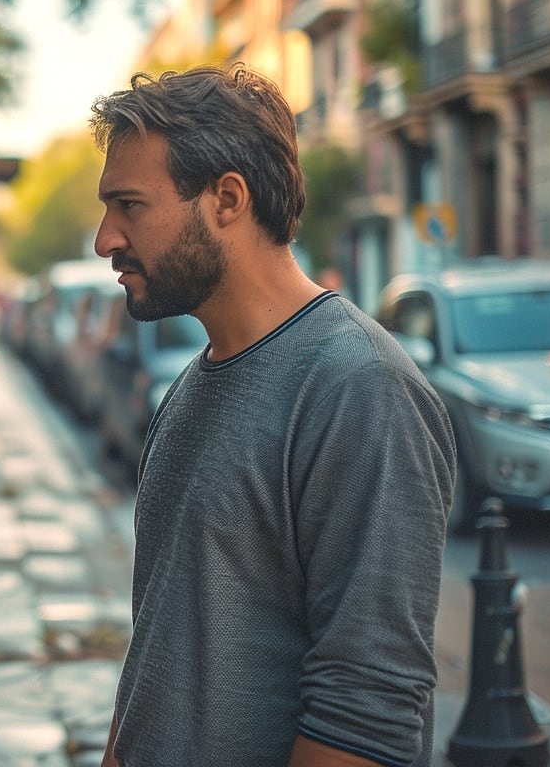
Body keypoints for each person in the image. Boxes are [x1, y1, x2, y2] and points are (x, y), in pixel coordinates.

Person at [91, 65, 455, 766]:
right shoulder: (198, 381)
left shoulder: (360, 388)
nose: (105, 238)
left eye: (129, 206)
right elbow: (163, 652)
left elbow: (367, 711)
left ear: (226, 198)